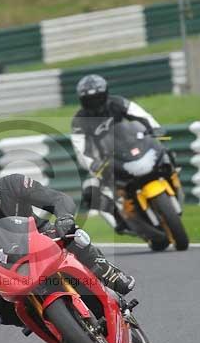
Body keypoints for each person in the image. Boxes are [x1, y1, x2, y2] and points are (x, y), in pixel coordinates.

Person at [0, 159, 136, 343]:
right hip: (8, 262)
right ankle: (49, 330)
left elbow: (57, 199)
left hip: (39, 236)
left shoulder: (14, 184)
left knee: (73, 237)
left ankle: (109, 271)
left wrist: (64, 217)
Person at [70, 74, 163, 233]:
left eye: (97, 98)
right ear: (82, 101)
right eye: (89, 100)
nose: (94, 103)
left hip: (132, 147)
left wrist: (155, 128)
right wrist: (92, 163)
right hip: (105, 161)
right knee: (90, 190)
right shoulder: (79, 120)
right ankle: (120, 221)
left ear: (105, 94)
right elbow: (80, 147)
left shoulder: (118, 102)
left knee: (164, 154)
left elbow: (141, 115)